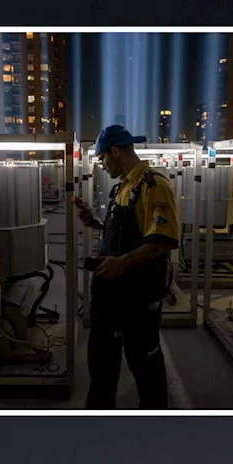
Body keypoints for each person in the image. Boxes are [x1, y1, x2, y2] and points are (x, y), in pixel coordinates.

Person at [72, 125, 179, 409]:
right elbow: (123, 233)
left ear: (115, 152)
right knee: (102, 360)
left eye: (101, 158)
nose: (101, 164)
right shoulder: (123, 186)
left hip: (138, 295)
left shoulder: (154, 186)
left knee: (143, 360)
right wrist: (94, 221)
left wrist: (122, 263)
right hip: (111, 294)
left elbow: (162, 241)